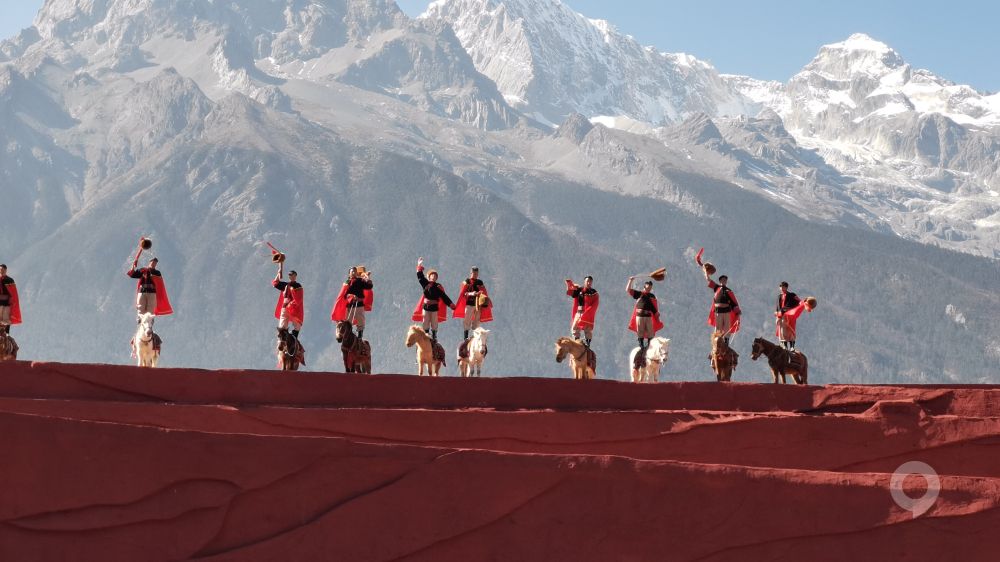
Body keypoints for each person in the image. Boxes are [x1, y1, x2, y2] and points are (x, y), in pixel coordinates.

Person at [412, 258, 456, 341]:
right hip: (426, 307)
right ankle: (425, 334)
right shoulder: (425, 283)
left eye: (435, 276)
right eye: (432, 276)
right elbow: (420, 276)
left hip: (434, 308)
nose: (433, 277)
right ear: (429, 277)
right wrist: (419, 265)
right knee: (425, 321)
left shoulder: (438, 287)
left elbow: (444, 296)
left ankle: (434, 336)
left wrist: (451, 304)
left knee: (434, 322)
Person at [626, 276, 663, 369]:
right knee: (640, 333)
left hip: (648, 316)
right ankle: (641, 346)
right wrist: (630, 280)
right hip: (639, 316)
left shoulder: (652, 296)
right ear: (645, 286)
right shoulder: (639, 294)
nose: (649, 287)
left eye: (650, 286)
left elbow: (655, 308)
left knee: (651, 334)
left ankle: (649, 346)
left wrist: (657, 315)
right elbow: (628, 290)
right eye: (648, 285)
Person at [331, 266, 373, 339]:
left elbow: (369, 286)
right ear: (349, 274)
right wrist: (351, 296)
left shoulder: (360, 281)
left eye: (355, 271)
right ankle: (345, 335)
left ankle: (360, 335)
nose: (353, 272)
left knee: (360, 319)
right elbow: (344, 295)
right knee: (348, 322)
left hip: (359, 304)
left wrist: (368, 279)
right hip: (350, 305)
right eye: (352, 271)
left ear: (356, 273)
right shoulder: (347, 283)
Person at [453, 266, 493, 341]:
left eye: (476, 273)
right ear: (471, 273)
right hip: (469, 303)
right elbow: (464, 293)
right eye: (474, 273)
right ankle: (466, 336)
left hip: (478, 304)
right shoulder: (467, 281)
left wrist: (481, 295)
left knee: (477, 320)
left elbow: (484, 292)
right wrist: (472, 293)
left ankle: (475, 336)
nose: (475, 275)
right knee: (467, 319)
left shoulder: (480, 282)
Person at [705, 269, 740, 343]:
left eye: (725, 280)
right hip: (718, 311)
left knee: (727, 328)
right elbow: (708, 280)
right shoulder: (717, 288)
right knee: (718, 329)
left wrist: (737, 311)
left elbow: (733, 303)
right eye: (722, 280)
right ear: (720, 281)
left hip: (727, 311)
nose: (724, 281)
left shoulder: (729, 291)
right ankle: (717, 343)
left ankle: (726, 343)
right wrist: (706, 272)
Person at [273, 263, 304, 339]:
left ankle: (294, 341)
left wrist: (291, 304)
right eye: (289, 275)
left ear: (295, 276)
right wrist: (279, 272)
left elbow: (299, 299)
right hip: (285, 308)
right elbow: (275, 283)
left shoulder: (298, 286)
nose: (291, 276)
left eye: (292, 275)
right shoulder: (286, 285)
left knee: (297, 326)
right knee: (282, 328)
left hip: (293, 309)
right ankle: (282, 344)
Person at [566, 276, 599, 347]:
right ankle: (577, 341)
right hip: (579, 312)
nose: (588, 283)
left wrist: (588, 312)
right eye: (587, 281)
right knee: (574, 327)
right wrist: (569, 284)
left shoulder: (594, 293)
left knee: (587, 329)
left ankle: (588, 343)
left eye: (590, 281)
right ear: (584, 282)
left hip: (587, 312)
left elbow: (595, 304)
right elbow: (571, 292)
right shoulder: (579, 290)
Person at [775, 281, 806, 351]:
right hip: (781, 315)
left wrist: (804, 302)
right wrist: (777, 313)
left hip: (790, 314)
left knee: (790, 330)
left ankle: (792, 347)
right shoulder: (779, 296)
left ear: (786, 287)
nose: (781, 288)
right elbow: (777, 307)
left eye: (783, 287)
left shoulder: (792, 295)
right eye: (780, 287)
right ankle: (785, 346)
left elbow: (799, 301)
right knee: (782, 331)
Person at [0, 264, 22, 335]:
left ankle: (6, 334)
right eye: (0, 270)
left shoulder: (9, 280)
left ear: (5, 270)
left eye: (2, 270)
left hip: (7, 304)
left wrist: (8, 298)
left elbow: (13, 294)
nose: (1, 271)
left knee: (6, 320)